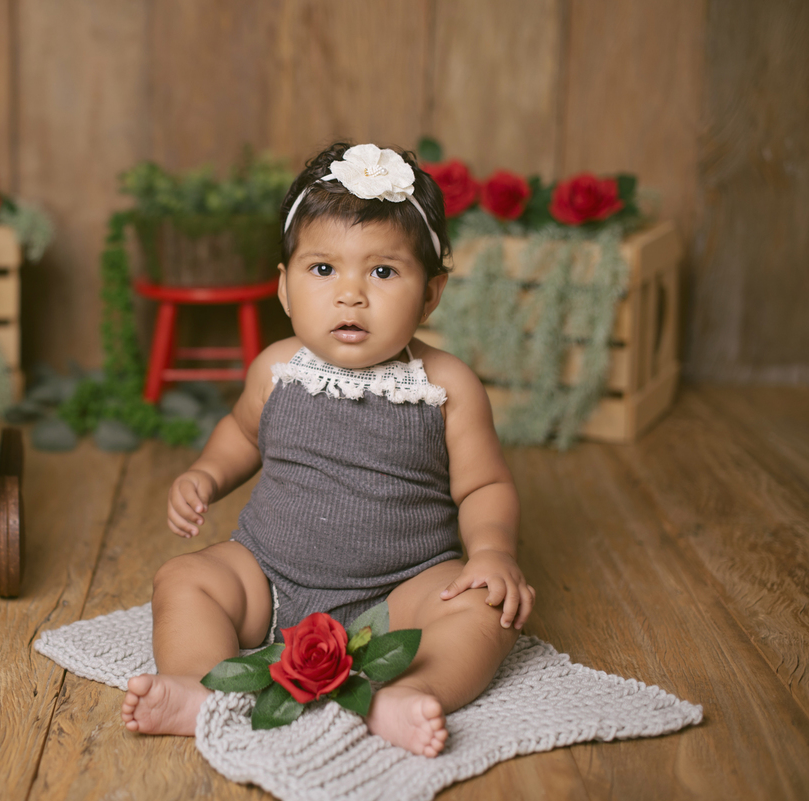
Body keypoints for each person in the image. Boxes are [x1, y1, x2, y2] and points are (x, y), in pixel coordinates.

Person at [121, 142, 535, 757]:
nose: (351, 295)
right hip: (272, 576)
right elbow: (241, 433)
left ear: (430, 294)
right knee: (184, 579)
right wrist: (206, 475)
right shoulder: (278, 369)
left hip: (404, 590)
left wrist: (493, 552)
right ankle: (200, 686)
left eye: (383, 271)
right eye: (324, 270)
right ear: (285, 289)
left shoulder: (444, 386)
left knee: (486, 612)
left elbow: (483, 486)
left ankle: (406, 692)